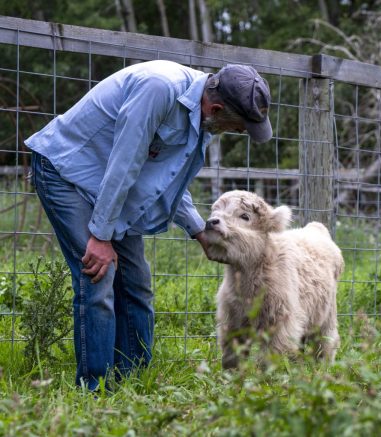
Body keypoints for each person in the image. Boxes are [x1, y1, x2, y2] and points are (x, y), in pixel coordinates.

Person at [25, 60, 273, 390]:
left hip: (106, 186)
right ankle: (94, 391)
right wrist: (100, 236)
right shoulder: (158, 89)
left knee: (137, 283)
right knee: (99, 276)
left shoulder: (203, 119)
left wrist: (199, 231)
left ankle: (132, 384)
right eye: (238, 126)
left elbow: (165, 181)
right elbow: (124, 163)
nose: (239, 132)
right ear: (215, 108)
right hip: (66, 172)